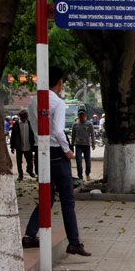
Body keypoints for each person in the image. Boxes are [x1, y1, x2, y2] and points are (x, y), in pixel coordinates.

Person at [22, 65, 91, 256]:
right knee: (67, 199)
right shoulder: (58, 103)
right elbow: (59, 131)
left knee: (47, 195)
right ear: (60, 82)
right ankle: (74, 241)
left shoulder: (33, 102)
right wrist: (68, 150)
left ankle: (29, 233)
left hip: (41, 152)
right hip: (58, 154)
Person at [10, 108, 37, 180]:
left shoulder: (29, 123)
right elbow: (13, 136)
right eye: (25, 114)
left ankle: (30, 170)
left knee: (30, 161)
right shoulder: (16, 125)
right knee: (19, 162)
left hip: (28, 146)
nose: (27, 115)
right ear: (22, 115)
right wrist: (12, 147)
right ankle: (20, 175)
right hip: (19, 146)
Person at [71, 109, 95, 181]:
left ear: (85, 115)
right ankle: (80, 176)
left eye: (83, 114)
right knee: (78, 161)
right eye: (80, 114)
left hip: (86, 145)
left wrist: (93, 143)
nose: (81, 116)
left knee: (88, 161)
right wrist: (72, 145)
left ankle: (87, 174)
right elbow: (73, 135)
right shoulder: (75, 125)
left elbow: (92, 134)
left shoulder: (89, 124)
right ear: (78, 115)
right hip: (78, 145)